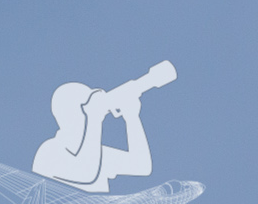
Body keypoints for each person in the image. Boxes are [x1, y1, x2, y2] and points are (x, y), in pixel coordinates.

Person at [30, 61, 173, 193]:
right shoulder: (49, 152)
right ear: (71, 112)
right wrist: (94, 118)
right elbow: (85, 173)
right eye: (88, 103)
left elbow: (141, 166)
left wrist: (132, 118)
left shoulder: (97, 154)